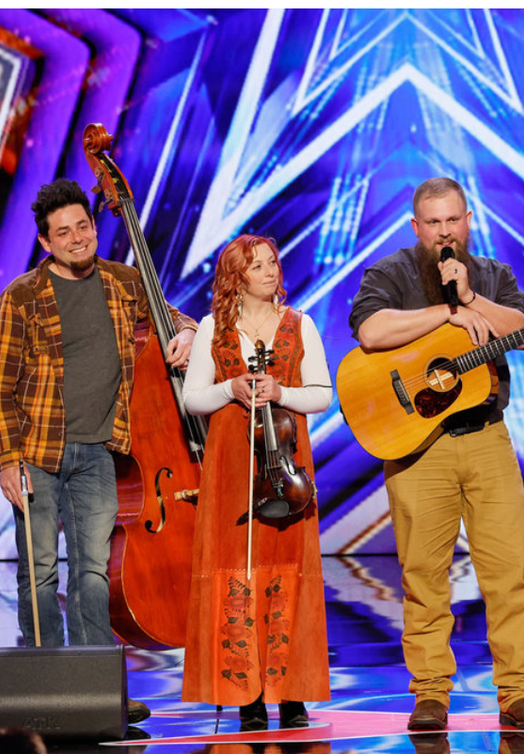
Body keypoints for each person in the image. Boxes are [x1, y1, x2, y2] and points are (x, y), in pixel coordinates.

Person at [0, 179, 196, 723]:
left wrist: (190, 335)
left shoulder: (124, 283)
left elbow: (182, 321)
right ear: (44, 241)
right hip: (37, 453)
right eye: (64, 232)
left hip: (103, 453)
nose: (78, 238)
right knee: (41, 572)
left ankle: (100, 690)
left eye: (84, 226)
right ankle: (48, 689)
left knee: (94, 573)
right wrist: (9, 461)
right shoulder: (22, 297)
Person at [348, 177, 524, 731]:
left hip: (487, 437)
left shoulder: (492, 274)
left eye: (453, 220)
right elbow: (370, 330)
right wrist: (443, 316)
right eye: (433, 223)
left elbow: (521, 330)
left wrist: (466, 299)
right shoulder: (390, 273)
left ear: (469, 221)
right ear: (417, 228)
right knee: (423, 574)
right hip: (418, 447)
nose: (444, 232)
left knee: (510, 570)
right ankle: (431, 695)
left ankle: (517, 693)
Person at [180, 235, 332, 730]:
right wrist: (231, 387)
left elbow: (321, 396)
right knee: (237, 569)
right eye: (257, 265)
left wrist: (281, 389)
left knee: (286, 569)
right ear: (236, 277)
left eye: (272, 262)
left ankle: (291, 694)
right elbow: (194, 399)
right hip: (231, 466)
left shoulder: (299, 324)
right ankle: (247, 694)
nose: (270, 271)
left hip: (284, 467)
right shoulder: (212, 329)